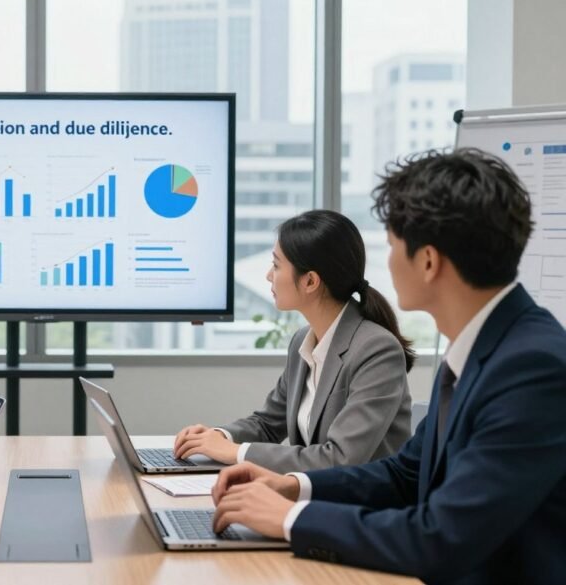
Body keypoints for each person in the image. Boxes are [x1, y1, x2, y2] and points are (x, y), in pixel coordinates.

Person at [210, 149, 566, 583]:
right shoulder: (478, 350)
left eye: (393, 245)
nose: (388, 260)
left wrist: (289, 520)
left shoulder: (532, 368)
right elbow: (405, 474)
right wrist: (295, 487)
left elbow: (441, 538)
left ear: (429, 261)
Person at [173, 209, 413, 473]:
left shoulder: (376, 350)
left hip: (364, 507)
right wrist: (219, 437)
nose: (268, 275)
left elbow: (341, 459)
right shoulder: (304, 341)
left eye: (276, 265)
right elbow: (267, 424)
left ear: (310, 281)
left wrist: (236, 452)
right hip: (315, 498)